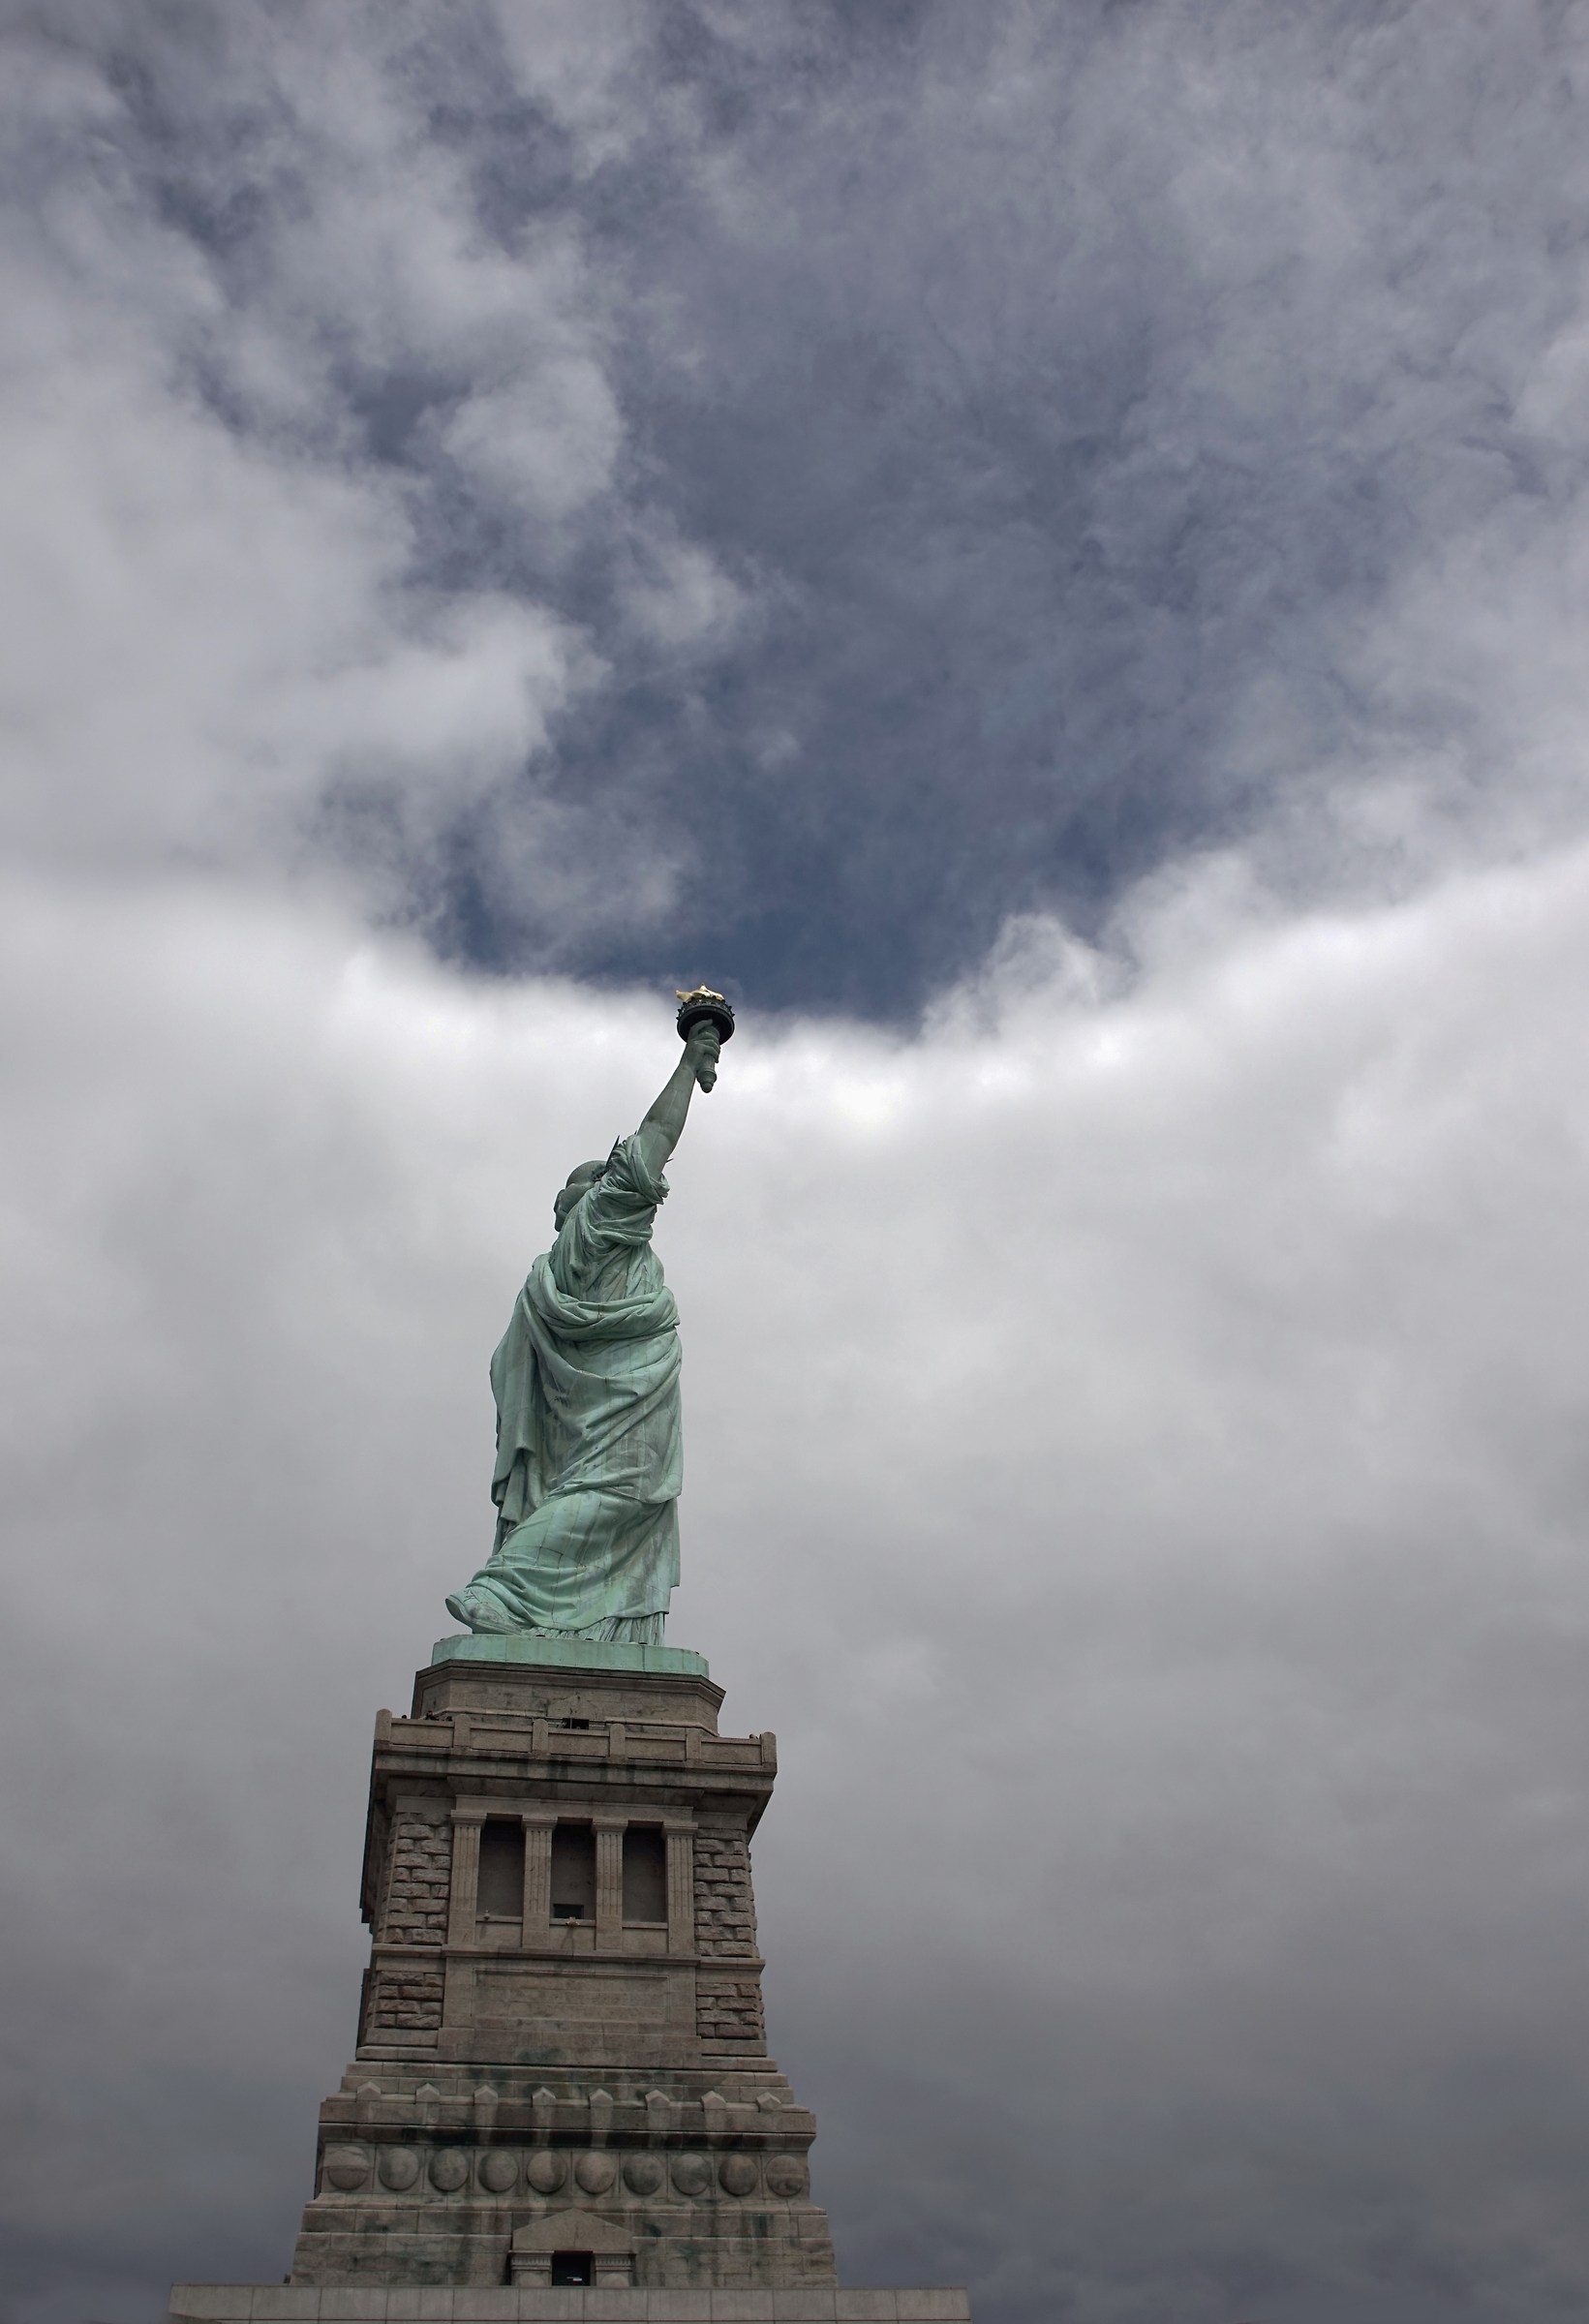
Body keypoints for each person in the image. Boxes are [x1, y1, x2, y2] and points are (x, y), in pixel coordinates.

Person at [444, 1019, 722, 1640]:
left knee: (616, 1502)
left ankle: (605, 1630)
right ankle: (503, 1590)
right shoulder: (594, 1227)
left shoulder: (587, 1256)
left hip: (613, 1400)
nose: (641, 1190)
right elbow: (654, 1137)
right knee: (615, 1493)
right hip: (620, 1405)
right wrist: (690, 1062)